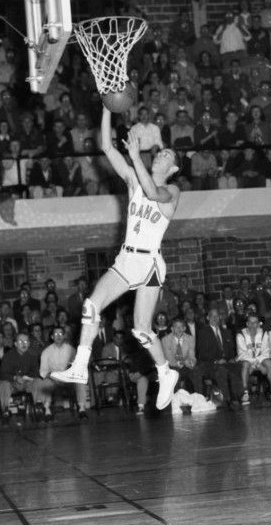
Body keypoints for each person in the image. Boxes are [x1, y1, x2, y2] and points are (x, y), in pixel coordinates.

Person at [51, 107, 181, 410]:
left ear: (174, 168)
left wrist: (135, 157)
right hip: (126, 258)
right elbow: (107, 147)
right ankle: (80, 365)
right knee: (90, 306)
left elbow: (153, 193)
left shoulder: (173, 190)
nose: (161, 154)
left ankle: (165, 372)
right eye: (160, 151)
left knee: (141, 329)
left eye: (167, 154)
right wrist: (106, 107)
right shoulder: (134, 179)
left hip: (149, 263)